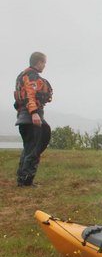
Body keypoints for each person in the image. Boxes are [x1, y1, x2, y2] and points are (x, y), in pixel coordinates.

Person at [14, 52, 53, 187]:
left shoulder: (21, 75)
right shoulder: (31, 76)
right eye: (44, 63)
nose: (44, 66)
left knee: (28, 148)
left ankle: (22, 179)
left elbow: (20, 98)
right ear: (39, 62)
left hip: (23, 117)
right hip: (31, 117)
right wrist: (34, 113)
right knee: (34, 149)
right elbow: (30, 95)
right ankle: (26, 181)